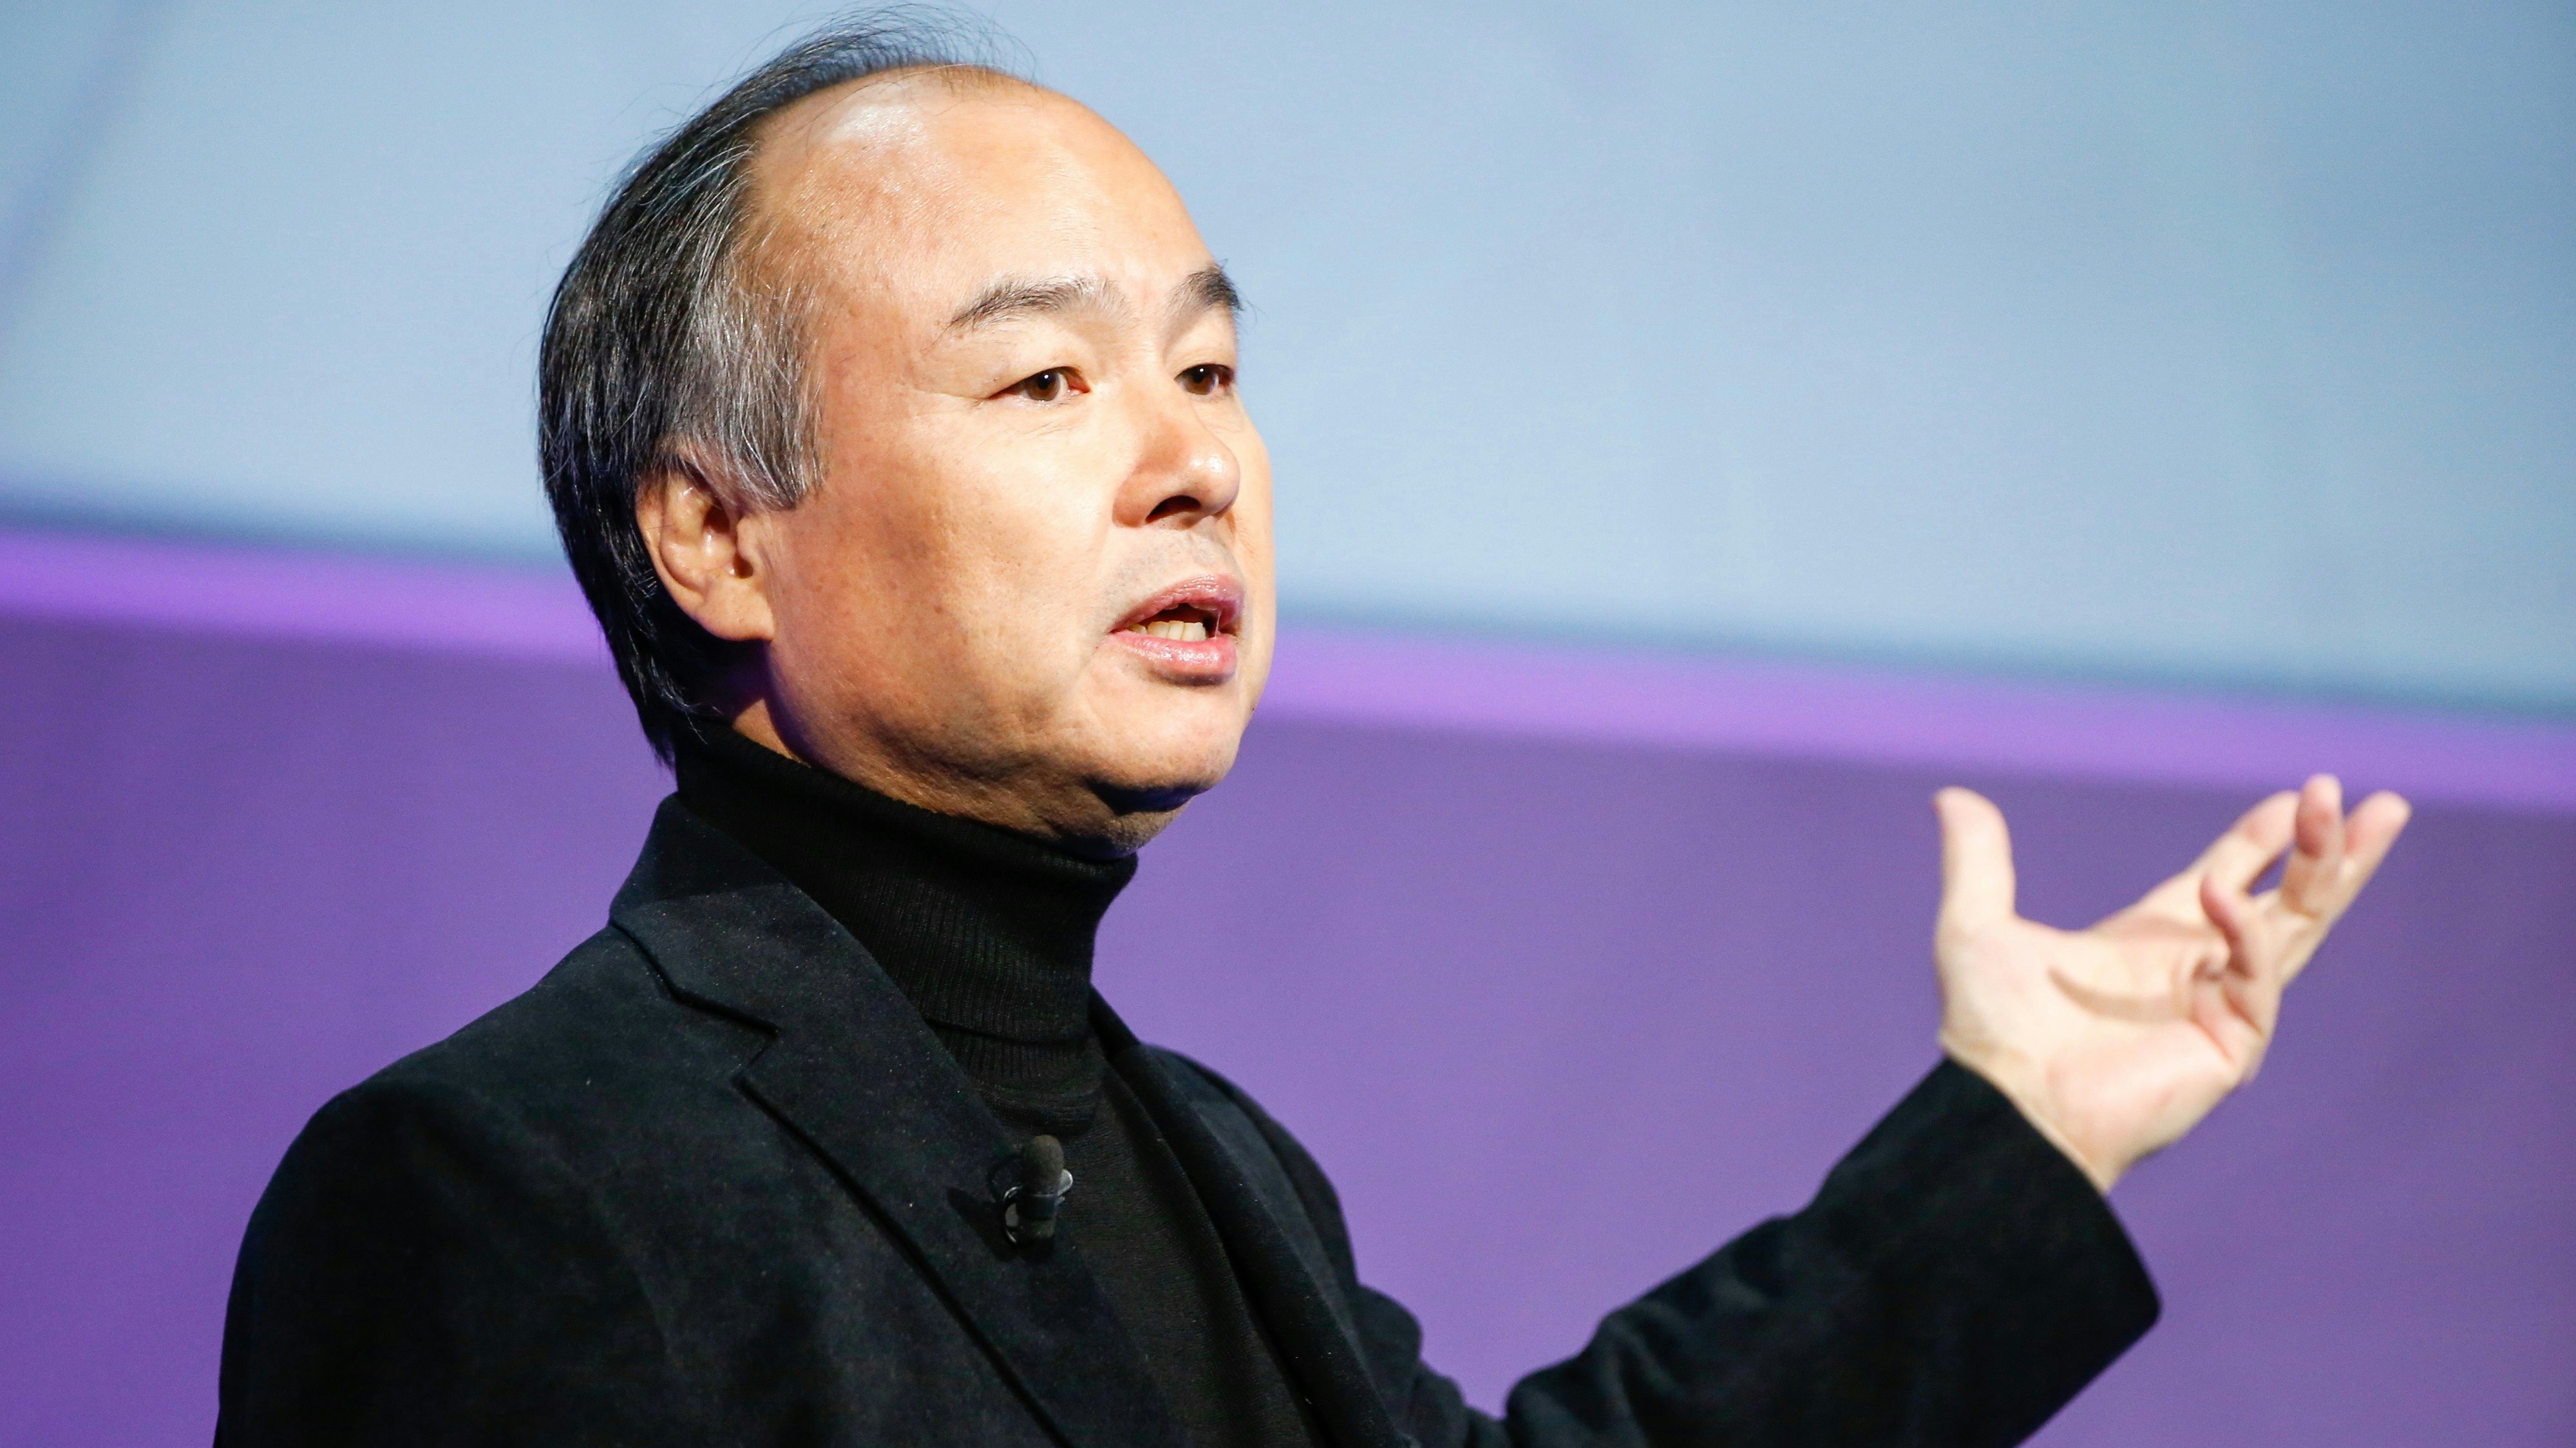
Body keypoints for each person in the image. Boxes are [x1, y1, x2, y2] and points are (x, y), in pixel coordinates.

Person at [215, 18, 2410, 1447]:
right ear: (714, 535)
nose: (1195, 464)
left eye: (1213, 372)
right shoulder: (508, 1186)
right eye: (1051, 383)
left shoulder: (1216, 1165)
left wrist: (2019, 1134)